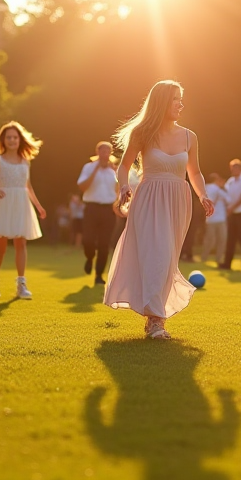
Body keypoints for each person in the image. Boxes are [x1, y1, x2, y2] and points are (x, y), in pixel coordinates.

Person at [104, 80, 214, 339]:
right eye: (176, 99)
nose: (181, 104)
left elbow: (194, 172)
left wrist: (204, 195)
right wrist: (122, 187)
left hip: (178, 200)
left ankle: (153, 316)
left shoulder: (189, 136)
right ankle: (157, 321)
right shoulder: (142, 133)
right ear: (162, 101)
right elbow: (123, 166)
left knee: (167, 260)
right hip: (149, 198)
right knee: (157, 255)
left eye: (181, 98)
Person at [0, 121, 47, 300]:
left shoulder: (26, 162)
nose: (12, 140)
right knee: (0, 248)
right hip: (2, 204)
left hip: (21, 204)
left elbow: (28, 187)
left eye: (15, 137)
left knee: (21, 244)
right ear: (3, 140)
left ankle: (21, 285)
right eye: (8, 137)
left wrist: (38, 206)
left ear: (20, 140)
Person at [77, 142, 119, 286]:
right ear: (97, 152)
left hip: (108, 210)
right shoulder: (88, 168)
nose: (105, 154)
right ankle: (89, 257)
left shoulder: (114, 171)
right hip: (91, 208)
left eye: (108, 151)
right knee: (88, 240)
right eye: (102, 151)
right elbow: (82, 186)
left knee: (104, 244)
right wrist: (96, 169)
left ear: (111, 153)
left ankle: (99, 275)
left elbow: (119, 190)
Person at [200, 172, 229, 264]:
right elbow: (229, 200)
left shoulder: (205, 188)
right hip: (220, 219)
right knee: (222, 240)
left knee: (209, 240)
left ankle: (204, 257)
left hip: (210, 219)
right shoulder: (218, 189)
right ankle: (218, 259)